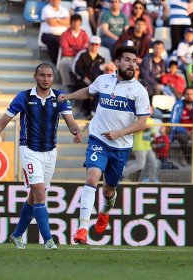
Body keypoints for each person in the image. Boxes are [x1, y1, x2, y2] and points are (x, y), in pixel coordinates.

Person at [58, 45, 150, 244]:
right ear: (116, 63)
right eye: (127, 60)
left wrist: (119, 133)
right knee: (92, 179)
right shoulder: (103, 80)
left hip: (121, 147)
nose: (131, 64)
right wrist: (69, 96)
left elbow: (142, 122)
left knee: (108, 190)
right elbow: (89, 92)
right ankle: (82, 229)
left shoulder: (139, 91)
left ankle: (104, 213)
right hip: (98, 139)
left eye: (134, 61)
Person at [0, 63, 82, 249]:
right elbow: (3, 122)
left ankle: (17, 235)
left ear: (53, 77)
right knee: (40, 193)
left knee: (34, 196)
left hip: (50, 152)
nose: (46, 79)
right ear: (34, 76)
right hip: (29, 150)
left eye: (49, 75)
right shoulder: (24, 97)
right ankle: (49, 240)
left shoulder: (60, 98)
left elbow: (71, 122)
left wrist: (76, 131)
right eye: (42, 75)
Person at [72, 35, 105, 119]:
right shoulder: (83, 55)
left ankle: (93, 111)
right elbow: (77, 68)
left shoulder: (101, 59)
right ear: (89, 44)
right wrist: (84, 78)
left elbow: (102, 73)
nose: (94, 46)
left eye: (96, 44)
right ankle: (87, 111)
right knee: (87, 88)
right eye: (92, 44)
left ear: (99, 46)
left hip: (95, 82)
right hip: (82, 81)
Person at [170, 87, 193, 165]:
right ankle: (189, 160)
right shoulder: (177, 105)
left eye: (191, 94)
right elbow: (173, 124)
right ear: (184, 95)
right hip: (180, 132)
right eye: (187, 94)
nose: (189, 96)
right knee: (183, 138)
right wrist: (186, 132)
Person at [59, 14, 89, 90]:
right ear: (70, 23)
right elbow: (65, 51)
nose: (76, 24)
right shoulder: (65, 34)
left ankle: (83, 84)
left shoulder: (84, 34)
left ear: (80, 23)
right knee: (63, 63)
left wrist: (72, 48)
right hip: (69, 57)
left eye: (78, 22)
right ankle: (68, 84)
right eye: (74, 22)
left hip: (82, 57)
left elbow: (86, 49)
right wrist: (79, 49)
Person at [40, 0, 70, 64]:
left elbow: (68, 22)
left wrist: (56, 20)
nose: (55, 1)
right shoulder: (46, 9)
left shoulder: (64, 9)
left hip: (63, 35)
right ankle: (55, 62)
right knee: (54, 41)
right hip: (48, 34)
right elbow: (51, 23)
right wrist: (63, 21)